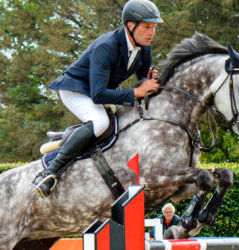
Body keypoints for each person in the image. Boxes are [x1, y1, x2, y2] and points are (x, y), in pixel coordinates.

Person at [32, 0, 163, 198]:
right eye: (146, 27)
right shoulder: (106, 47)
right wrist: (137, 92)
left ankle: (72, 137)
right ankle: (49, 173)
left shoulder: (144, 47)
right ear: (130, 25)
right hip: (76, 90)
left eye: (153, 27)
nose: (151, 33)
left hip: (100, 90)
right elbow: (98, 95)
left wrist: (152, 79)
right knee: (100, 122)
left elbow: (144, 78)